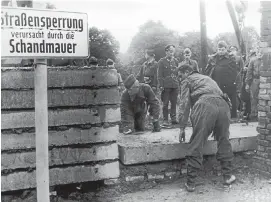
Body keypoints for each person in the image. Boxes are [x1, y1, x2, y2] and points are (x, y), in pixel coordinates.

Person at [178, 64, 236, 192]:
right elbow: (224, 97)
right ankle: (227, 176)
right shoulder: (207, 78)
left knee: (197, 141)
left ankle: (191, 182)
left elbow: (184, 105)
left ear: (187, 72)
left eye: (180, 75)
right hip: (224, 105)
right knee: (224, 139)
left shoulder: (187, 80)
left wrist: (182, 128)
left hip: (205, 104)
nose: (180, 78)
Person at [204, 41, 241, 120]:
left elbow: (234, 71)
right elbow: (207, 70)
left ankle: (233, 116)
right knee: (217, 99)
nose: (220, 51)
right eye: (219, 49)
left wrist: (232, 81)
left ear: (226, 49)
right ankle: (219, 115)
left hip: (229, 82)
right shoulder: (213, 58)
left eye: (222, 49)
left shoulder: (231, 57)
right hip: (216, 82)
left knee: (232, 98)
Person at [158, 44, 179, 126]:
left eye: (173, 51)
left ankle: (173, 118)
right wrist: (161, 85)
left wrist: (178, 83)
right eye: (170, 51)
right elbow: (159, 75)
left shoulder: (176, 61)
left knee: (174, 102)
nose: (172, 53)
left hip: (175, 86)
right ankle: (165, 120)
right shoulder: (161, 62)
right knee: (165, 103)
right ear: (166, 52)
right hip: (166, 86)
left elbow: (178, 73)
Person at [245, 49, 262, 121]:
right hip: (255, 80)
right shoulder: (253, 60)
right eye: (258, 52)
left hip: (265, 80)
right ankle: (254, 115)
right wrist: (248, 83)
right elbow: (249, 72)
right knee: (254, 98)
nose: (260, 53)